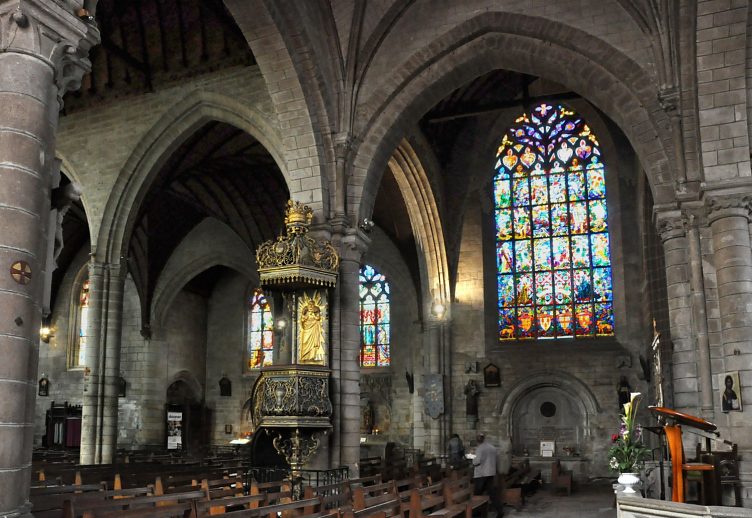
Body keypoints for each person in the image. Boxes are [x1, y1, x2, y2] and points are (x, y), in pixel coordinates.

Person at [472, 433, 503, 517]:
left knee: (477, 494)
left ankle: (476, 513)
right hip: (490, 473)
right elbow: (496, 459)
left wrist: (472, 459)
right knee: (492, 493)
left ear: (477, 440)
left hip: (481, 474)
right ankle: (500, 510)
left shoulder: (480, 448)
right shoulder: (492, 447)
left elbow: (477, 461)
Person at [299, 296, 325, 363]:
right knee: (305, 342)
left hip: (313, 329)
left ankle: (312, 357)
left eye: (312, 304)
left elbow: (318, 318)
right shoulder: (305, 312)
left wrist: (313, 314)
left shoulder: (316, 311)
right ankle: (304, 357)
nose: (311, 306)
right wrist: (305, 317)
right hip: (306, 330)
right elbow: (302, 320)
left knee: (313, 344)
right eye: (309, 304)